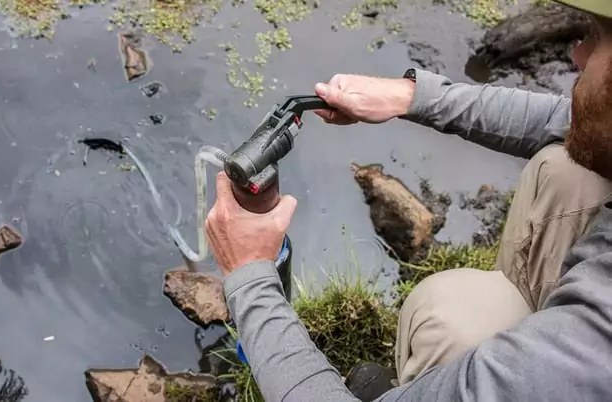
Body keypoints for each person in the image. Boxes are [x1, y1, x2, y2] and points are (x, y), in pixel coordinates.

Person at [205, 0, 612, 401]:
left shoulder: (589, 348)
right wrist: (410, 97)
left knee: (446, 316)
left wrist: (250, 276)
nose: (577, 54)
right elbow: (570, 120)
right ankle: (518, 317)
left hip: (553, 372)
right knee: (565, 169)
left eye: (597, 38)